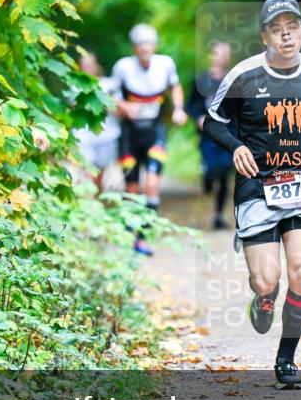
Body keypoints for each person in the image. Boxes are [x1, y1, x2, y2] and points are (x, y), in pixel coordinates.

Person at [202, 0, 301, 389]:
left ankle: (286, 359)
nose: (286, 34)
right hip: (258, 185)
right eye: (277, 28)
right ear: (265, 36)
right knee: (265, 279)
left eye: (293, 26)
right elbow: (213, 121)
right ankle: (263, 298)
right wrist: (235, 146)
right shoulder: (244, 74)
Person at [109, 23, 187, 256]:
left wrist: (179, 109)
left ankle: (143, 237)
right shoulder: (122, 67)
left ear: (155, 46)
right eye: (140, 45)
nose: (144, 49)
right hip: (130, 135)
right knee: (132, 189)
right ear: (134, 48)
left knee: (152, 184)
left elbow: (176, 86)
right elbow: (109, 96)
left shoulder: (165, 64)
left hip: (154, 132)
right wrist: (124, 106)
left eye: (148, 44)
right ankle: (129, 232)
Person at [186, 41, 237, 230]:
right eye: (218, 53)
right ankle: (206, 179)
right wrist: (198, 116)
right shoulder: (201, 80)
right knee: (212, 170)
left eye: (226, 53)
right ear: (211, 55)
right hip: (207, 134)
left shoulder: (234, 80)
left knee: (224, 173)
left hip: (229, 132)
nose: (222, 56)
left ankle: (218, 215)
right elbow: (190, 105)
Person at [72, 52, 120, 190]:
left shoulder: (108, 84)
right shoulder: (75, 86)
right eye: (84, 65)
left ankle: (95, 203)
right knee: (88, 173)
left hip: (107, 135)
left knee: (100, 175)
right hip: (84, 137)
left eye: (90, 65)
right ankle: (89, 202)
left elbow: (117, 108)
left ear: (96, 66)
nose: (88, 68)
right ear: (79, 67)